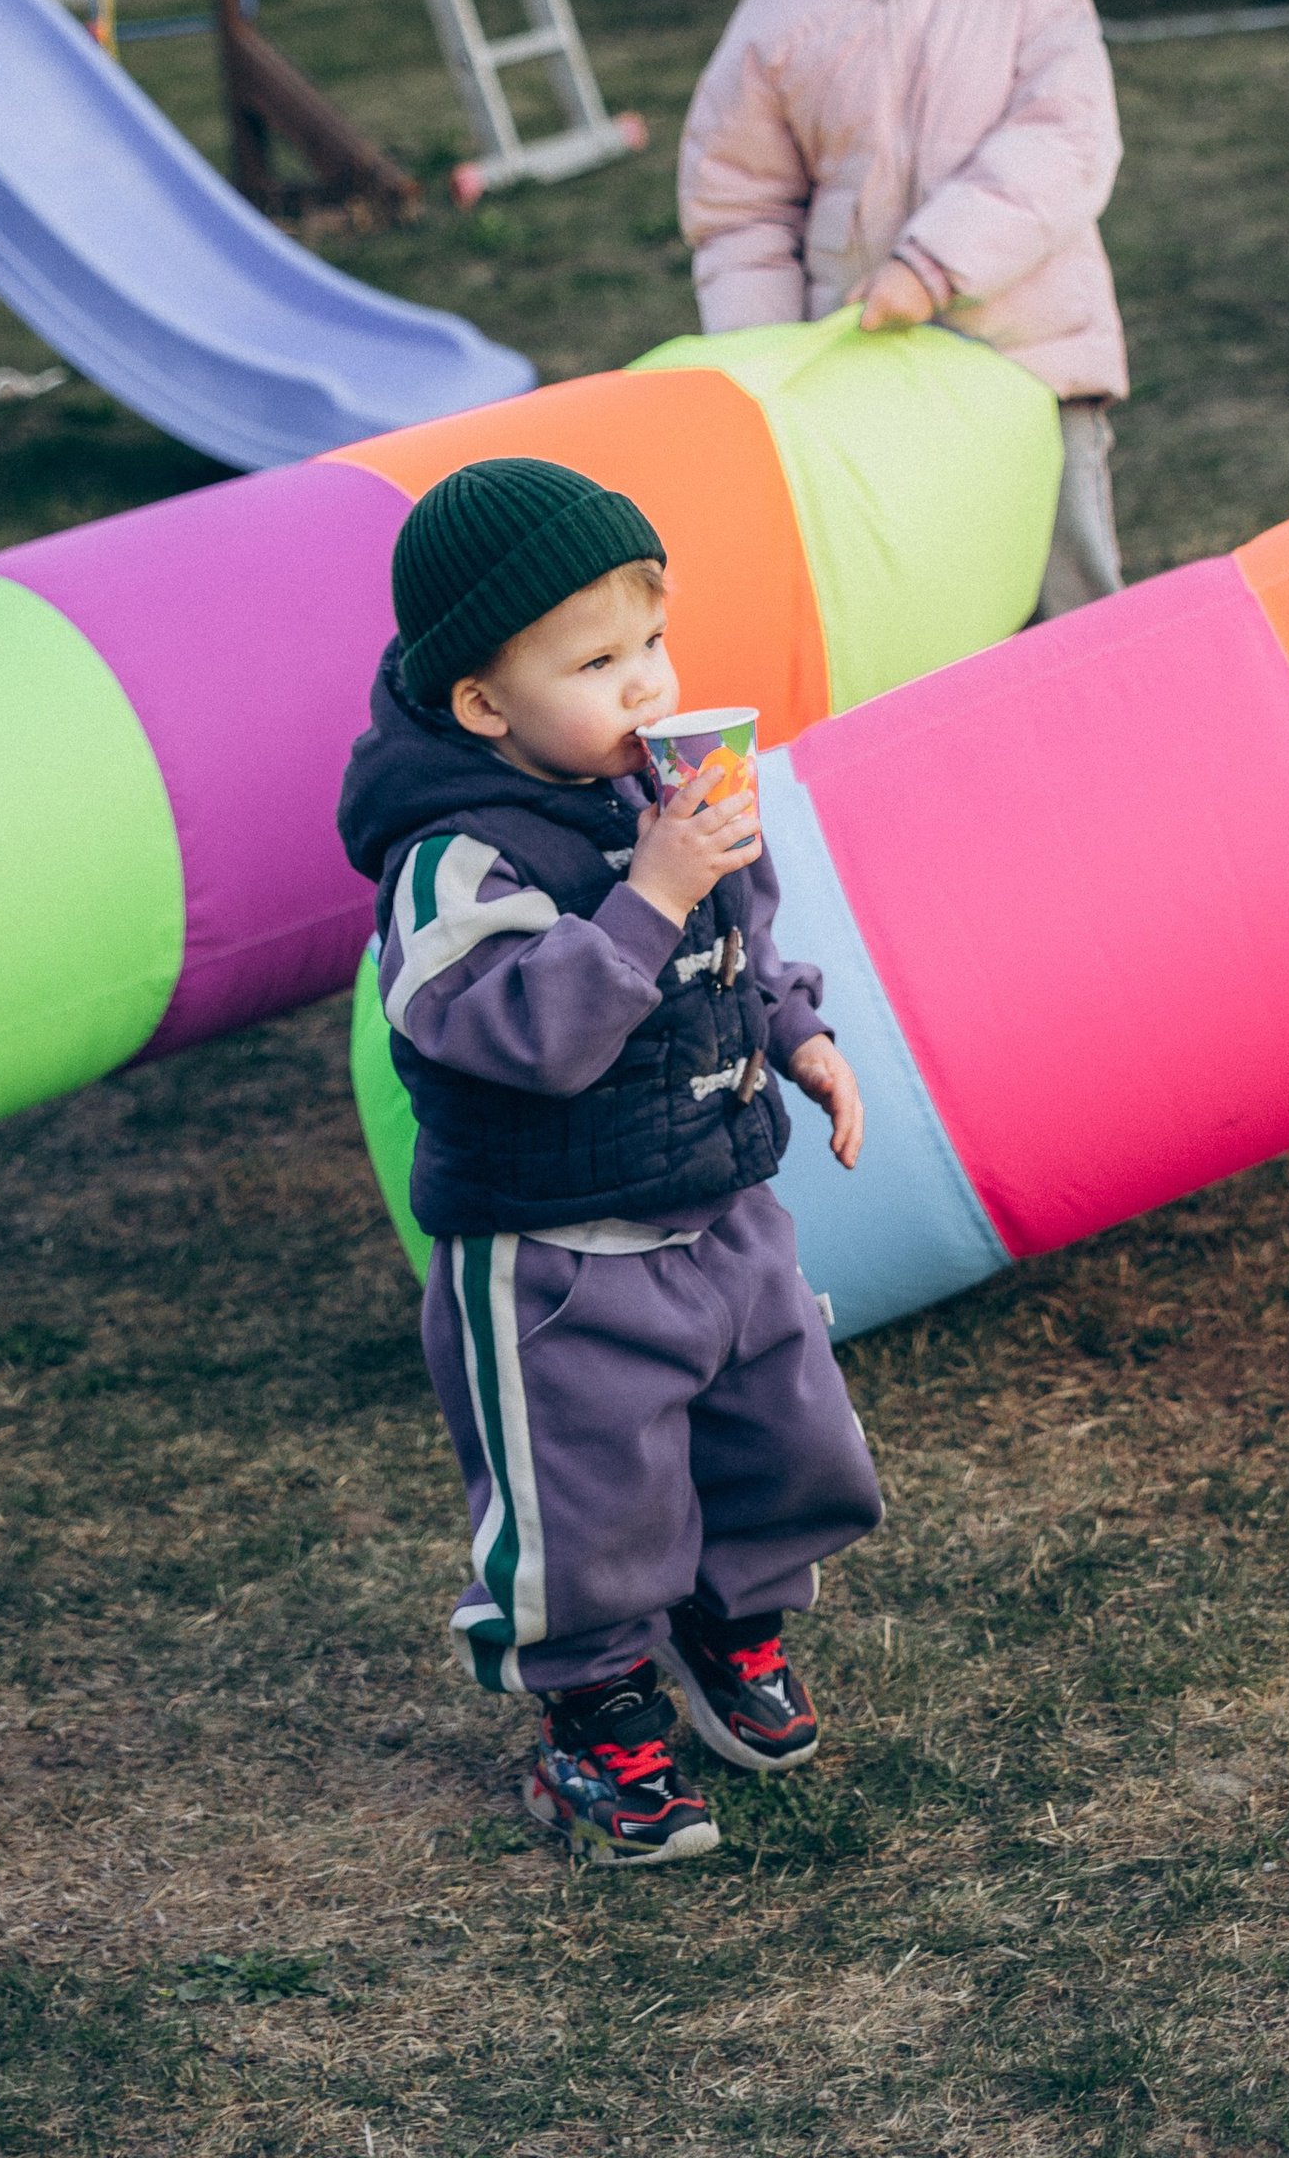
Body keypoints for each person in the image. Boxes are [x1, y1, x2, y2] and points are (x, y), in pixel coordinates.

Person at [335, 454, 881, 1868]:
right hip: (558, 1255)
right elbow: (514, 1032)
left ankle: (727, 1624)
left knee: (792, 1444)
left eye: (652, 641)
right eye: (596, 660)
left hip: (722, 1208)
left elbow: (740, 944)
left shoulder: (668, 787)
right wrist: (650, 894)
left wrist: (799, 1031)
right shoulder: (451, 860)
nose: (645, 683)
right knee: (587, 1501)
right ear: (482, 702)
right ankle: (598, 1723)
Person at [679, 0, 1128, 619]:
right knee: (925, 610)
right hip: (873, 384)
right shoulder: (774, 28)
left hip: (1030, 356)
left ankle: (1108, 749)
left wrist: (933, 266)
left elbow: (1066, 136)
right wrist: (765, 366)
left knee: (1070, 602)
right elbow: (742, 214)